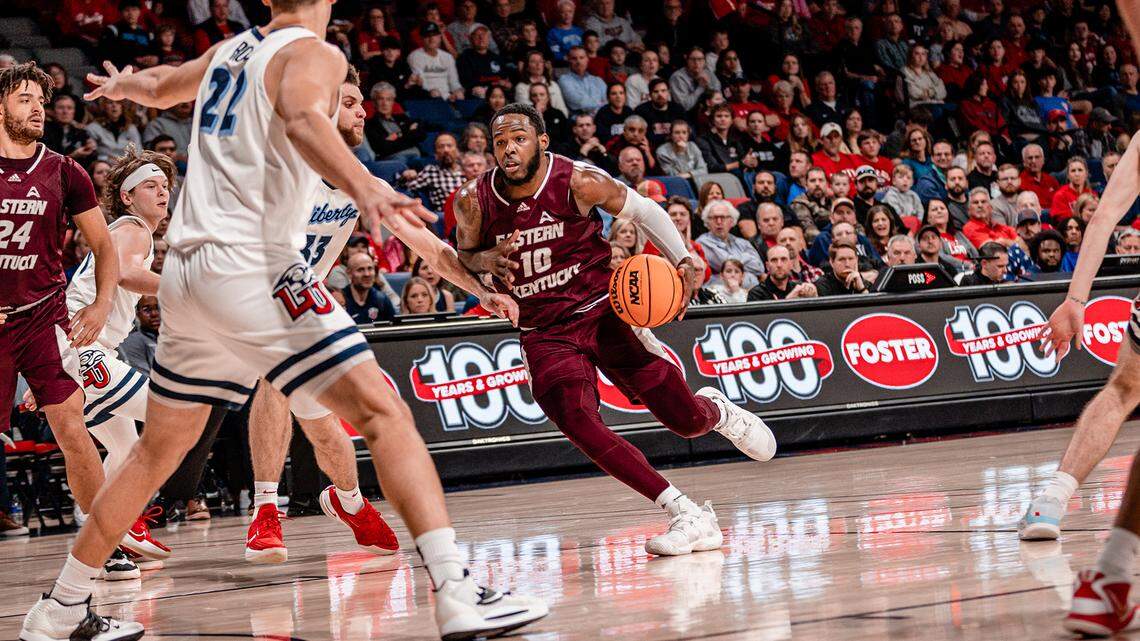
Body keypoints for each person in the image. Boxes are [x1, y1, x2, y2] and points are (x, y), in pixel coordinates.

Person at [18, 5, 547, 639]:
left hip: (188, 272)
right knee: (383, 411)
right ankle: (457, 592)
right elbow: (301, 119)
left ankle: (59, 607)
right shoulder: (316, 55)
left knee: (155, 453)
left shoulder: (230, 52)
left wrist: (119, 85)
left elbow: (159, 88)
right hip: (254, 265)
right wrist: (368, 185)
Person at [454, 103, 776, 558]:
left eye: (519, 139)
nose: (508, 149)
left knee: (683, 421)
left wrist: (684, 259)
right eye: (500, 142)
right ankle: (686, 513)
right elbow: (463, 254)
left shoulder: (579, 180)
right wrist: (483, 261)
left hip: (604, 310)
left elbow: (645, 211)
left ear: (542, 142)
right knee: (578, 421)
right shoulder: (473, 199)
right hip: (543, 329)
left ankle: (717, 413)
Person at [0, 63, 123, 600]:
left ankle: (104, 543)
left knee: (73, 429)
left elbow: (104, 247)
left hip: (45, 317)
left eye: (42, 103)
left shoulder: (65, 171)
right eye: (25, 99)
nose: (36, 109)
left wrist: (100, 303)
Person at [695, 199, 764, 287]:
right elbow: (726, 264)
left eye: (723, 217)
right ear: (707, 222)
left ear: (731, 221)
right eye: (714, 218)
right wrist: (746, 257)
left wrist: (734, 260)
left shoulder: (742, 243)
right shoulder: (702, 243)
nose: (719, 222)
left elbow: (759, 267)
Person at [398, 133, 464, 212]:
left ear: (457, 150)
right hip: (446, 216)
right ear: (436, 153)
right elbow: (404, 187)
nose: (446, 150)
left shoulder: (468, 170)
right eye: (441, 147)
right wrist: (406, 176)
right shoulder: (431, 171)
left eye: (449, 146)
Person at [747, 245, 818, 301]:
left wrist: (814, 296)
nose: (779, 265)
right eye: (774, 260)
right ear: (767, 266)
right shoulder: (756, 294)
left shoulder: (799, 287)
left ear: (790, 264)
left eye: (783, 259)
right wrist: (789, 301)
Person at [559, 46, 607, 114]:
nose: (578, 61)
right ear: (569, 60)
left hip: (602, 117)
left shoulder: (598, 80)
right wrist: (600, 104)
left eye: (582, 58)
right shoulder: (564, 80)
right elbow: (580, 103)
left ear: (587, 59)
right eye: (574, 58)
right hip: (579, 120)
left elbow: (608, 101)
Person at [120, 295, 159, 375]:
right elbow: (145, 381)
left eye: (158, 308)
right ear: (137, 314)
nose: (154, 314)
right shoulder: (132, 342)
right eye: (146, 309)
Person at [1050, 156, 1095, 223]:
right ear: (1068, 175)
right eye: (1073, 171)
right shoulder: (1060, 195)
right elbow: (1061, 221)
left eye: (1080, 170)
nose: (1077, 174)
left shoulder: (1093, 195)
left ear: (1086, 174)